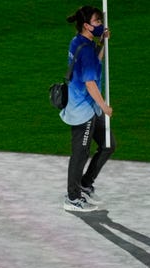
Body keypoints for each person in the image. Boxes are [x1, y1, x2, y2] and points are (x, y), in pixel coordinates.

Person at [60, 5, 115, 213]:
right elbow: (90, 83)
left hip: (89, 108)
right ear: (86, 25)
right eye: (97, 22)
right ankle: (72, 198)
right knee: (80, 154)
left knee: (108, 145)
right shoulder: (85, 49)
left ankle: (84, 184)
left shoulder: (80, 42)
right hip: (83, 110)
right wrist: (105, 107)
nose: (101, 24)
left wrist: (103, 44)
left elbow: (94, 64)